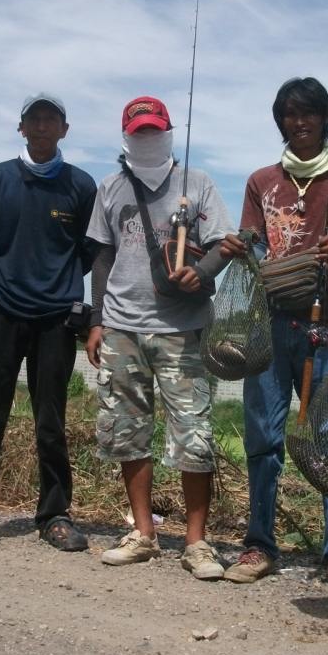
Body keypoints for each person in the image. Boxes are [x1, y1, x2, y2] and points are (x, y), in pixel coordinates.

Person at [219, 77, 328, 594]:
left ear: (326, 118)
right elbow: (252, 244)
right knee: (263, 438)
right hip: (269, 329)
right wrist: (240, 253)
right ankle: (259, 543)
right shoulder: (261, 180)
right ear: (279, 120)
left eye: (308, 113)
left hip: (325, 330)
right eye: (289, 113)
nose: (299, 121)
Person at [0, 93, 96, 552]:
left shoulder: (81, 187)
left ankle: (55, 514)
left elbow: (90, 250)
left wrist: (59, 281)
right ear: (20, 127)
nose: (43, 125)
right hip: (0, 313)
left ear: (65, 129)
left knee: (51, 422)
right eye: (34, 118)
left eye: (52, 119)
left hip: (56, 321)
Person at [85, 95, 233, 580]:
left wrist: (200, 272)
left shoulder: (199, 183)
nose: (147, 139)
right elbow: (102, 259)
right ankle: (143, 533)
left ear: (169, 133)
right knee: (126, 430)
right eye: (139, 133)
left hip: (182, 328)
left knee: (194, 431)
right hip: (122, 326)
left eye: (155, 131)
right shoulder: (109, 187)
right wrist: (96, 321)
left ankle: (196, 542)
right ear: (127, 138)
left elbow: (221, 245)